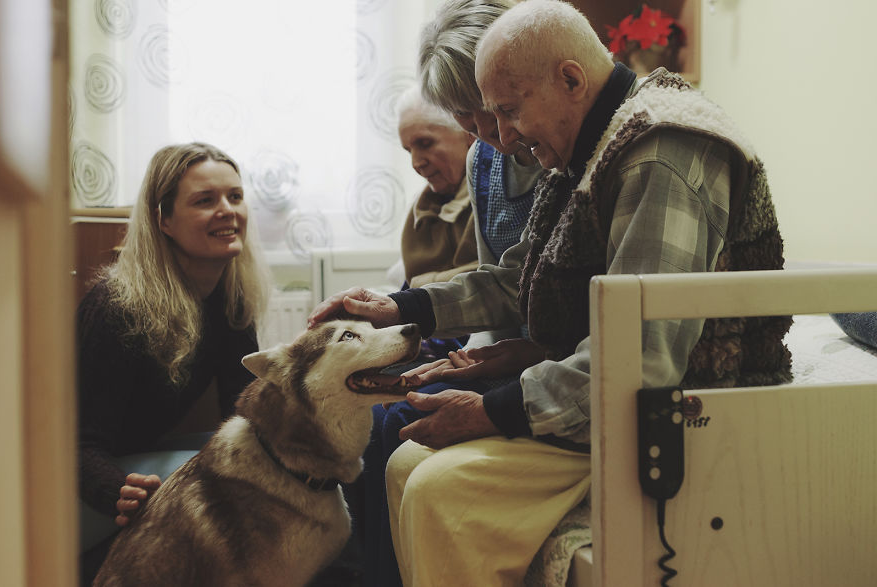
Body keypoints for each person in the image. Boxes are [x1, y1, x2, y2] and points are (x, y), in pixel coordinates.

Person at [310, 0, 792, 584]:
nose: (500, 137)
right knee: (406, 461)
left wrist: (491, 410)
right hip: (615, 395)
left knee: (439, 488)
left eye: (507, 112)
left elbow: (641, 358)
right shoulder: (587, 146)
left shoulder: (661, 153)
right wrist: (406, 306)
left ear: (570, 79)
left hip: (683, 409)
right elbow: (525, 277)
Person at [357, 3, 545, 586]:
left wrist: (474, 367)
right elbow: (503, 283)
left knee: (400, 417)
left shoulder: (557, 156)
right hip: (504, 351)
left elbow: (520, 296)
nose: (493, 135)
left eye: (490, 114)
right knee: (384, 413)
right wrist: (405, 313)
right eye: (476, 119)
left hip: (538, 363)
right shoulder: (486, 163)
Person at [77, 142, 269, 584]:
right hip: (78, 483)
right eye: (205, 200)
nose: (227, 211)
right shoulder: (116, 308)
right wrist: (116, 490)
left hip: (135, 460)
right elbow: (75, 444)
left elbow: (240, 415)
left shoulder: (230, 297)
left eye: (234, 197)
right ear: (163, 220)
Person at [395, 85, 479, 290]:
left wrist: (420, 289)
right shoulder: (419, 215)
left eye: (425, 143)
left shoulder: (492, 197)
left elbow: (503, 278)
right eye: (409, 151)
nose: (415, 163)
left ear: (468, 133)